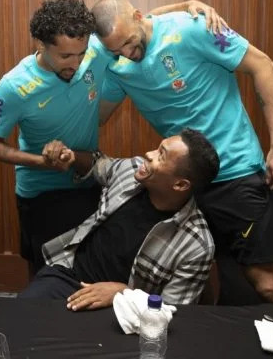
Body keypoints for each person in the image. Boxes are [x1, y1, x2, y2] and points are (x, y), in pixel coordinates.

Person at [0, 0, 225, 272]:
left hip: (90, 182)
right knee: (46, 274)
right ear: (40, 44)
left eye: (81, 53)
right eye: (65, 56)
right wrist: (43, 162)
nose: (76, 64)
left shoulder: (96, 51)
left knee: (87, 271)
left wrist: (185, 6)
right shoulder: (14, 86)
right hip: (41, 193)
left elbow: (135, 22)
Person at [92, 0, 273, 303]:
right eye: (116, 51)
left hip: (233, 170)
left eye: (130, 43)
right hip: (183, 183)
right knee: (197, 276)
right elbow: (97, 116)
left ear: (138, 16)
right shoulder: (115, 63)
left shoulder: (192, 28)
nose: (127, 54)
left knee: (269, 284)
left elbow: (264, 66)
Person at [19, 128, 220, 308]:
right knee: (21, 317)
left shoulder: (197, 245)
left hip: (125, 312)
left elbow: (173, 311)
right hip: (68, 277)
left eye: (161, 156)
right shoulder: (133, 169)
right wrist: (71, 157)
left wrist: (124, 293)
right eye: (157, 148)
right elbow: (98, 164)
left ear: (180, 185)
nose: (148, 155)